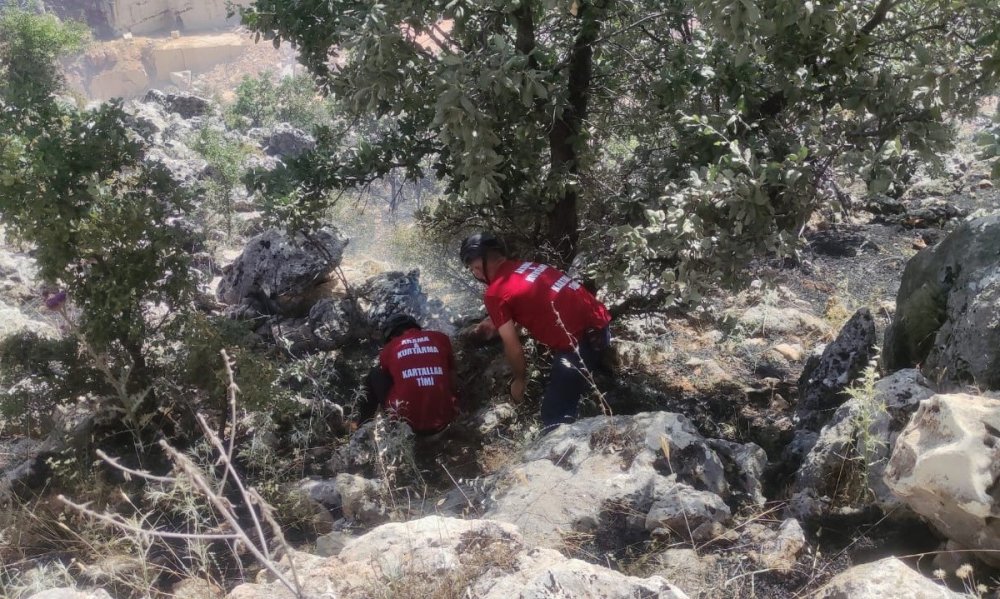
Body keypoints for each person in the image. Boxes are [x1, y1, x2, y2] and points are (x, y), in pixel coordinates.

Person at [460, 233, 612, 429]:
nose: (476, 273)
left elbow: (513, 347)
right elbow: (533, 304)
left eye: (473, 268)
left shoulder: (495, 293)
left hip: (582, 343)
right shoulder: (527, 266)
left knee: (553, 415)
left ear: (479, 266)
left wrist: (519, 381)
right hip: (601, 323)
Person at [358, 313, 460, 436]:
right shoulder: (441, 338)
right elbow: (453, 378)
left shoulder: (388, 349)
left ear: (390, 336)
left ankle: (362, 427)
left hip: (407, 426)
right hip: (444, 421)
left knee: (375, 374)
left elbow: (388, 375)